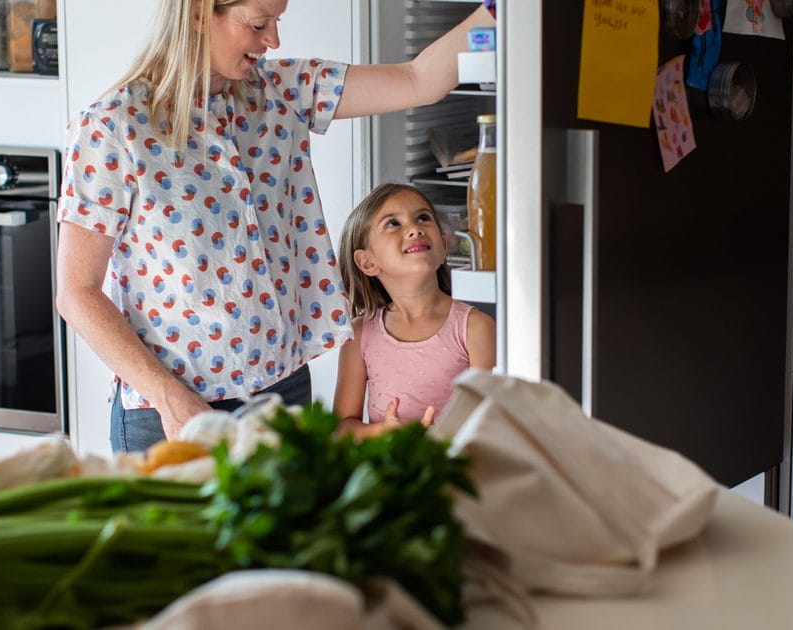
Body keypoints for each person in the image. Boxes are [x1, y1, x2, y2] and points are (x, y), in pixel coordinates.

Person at [54, 0, 497, 453]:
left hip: (280, 395)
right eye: (259, 23)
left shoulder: (284, 90)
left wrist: (502, 10)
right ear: (198, 13)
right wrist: (170, 399)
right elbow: (76, 293)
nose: (273, 41)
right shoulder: (113, 127)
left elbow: (418, 80)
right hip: (168, 411)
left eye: (277, 22)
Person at [333, 183, 496, 436]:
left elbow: (490, 422)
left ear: (443, 247)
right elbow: (341, 429)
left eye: (423, 217)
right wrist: (384, 432)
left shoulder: (475, 328)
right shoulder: (359, 335)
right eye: (393, 223)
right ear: (367, 262)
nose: (414, 229)